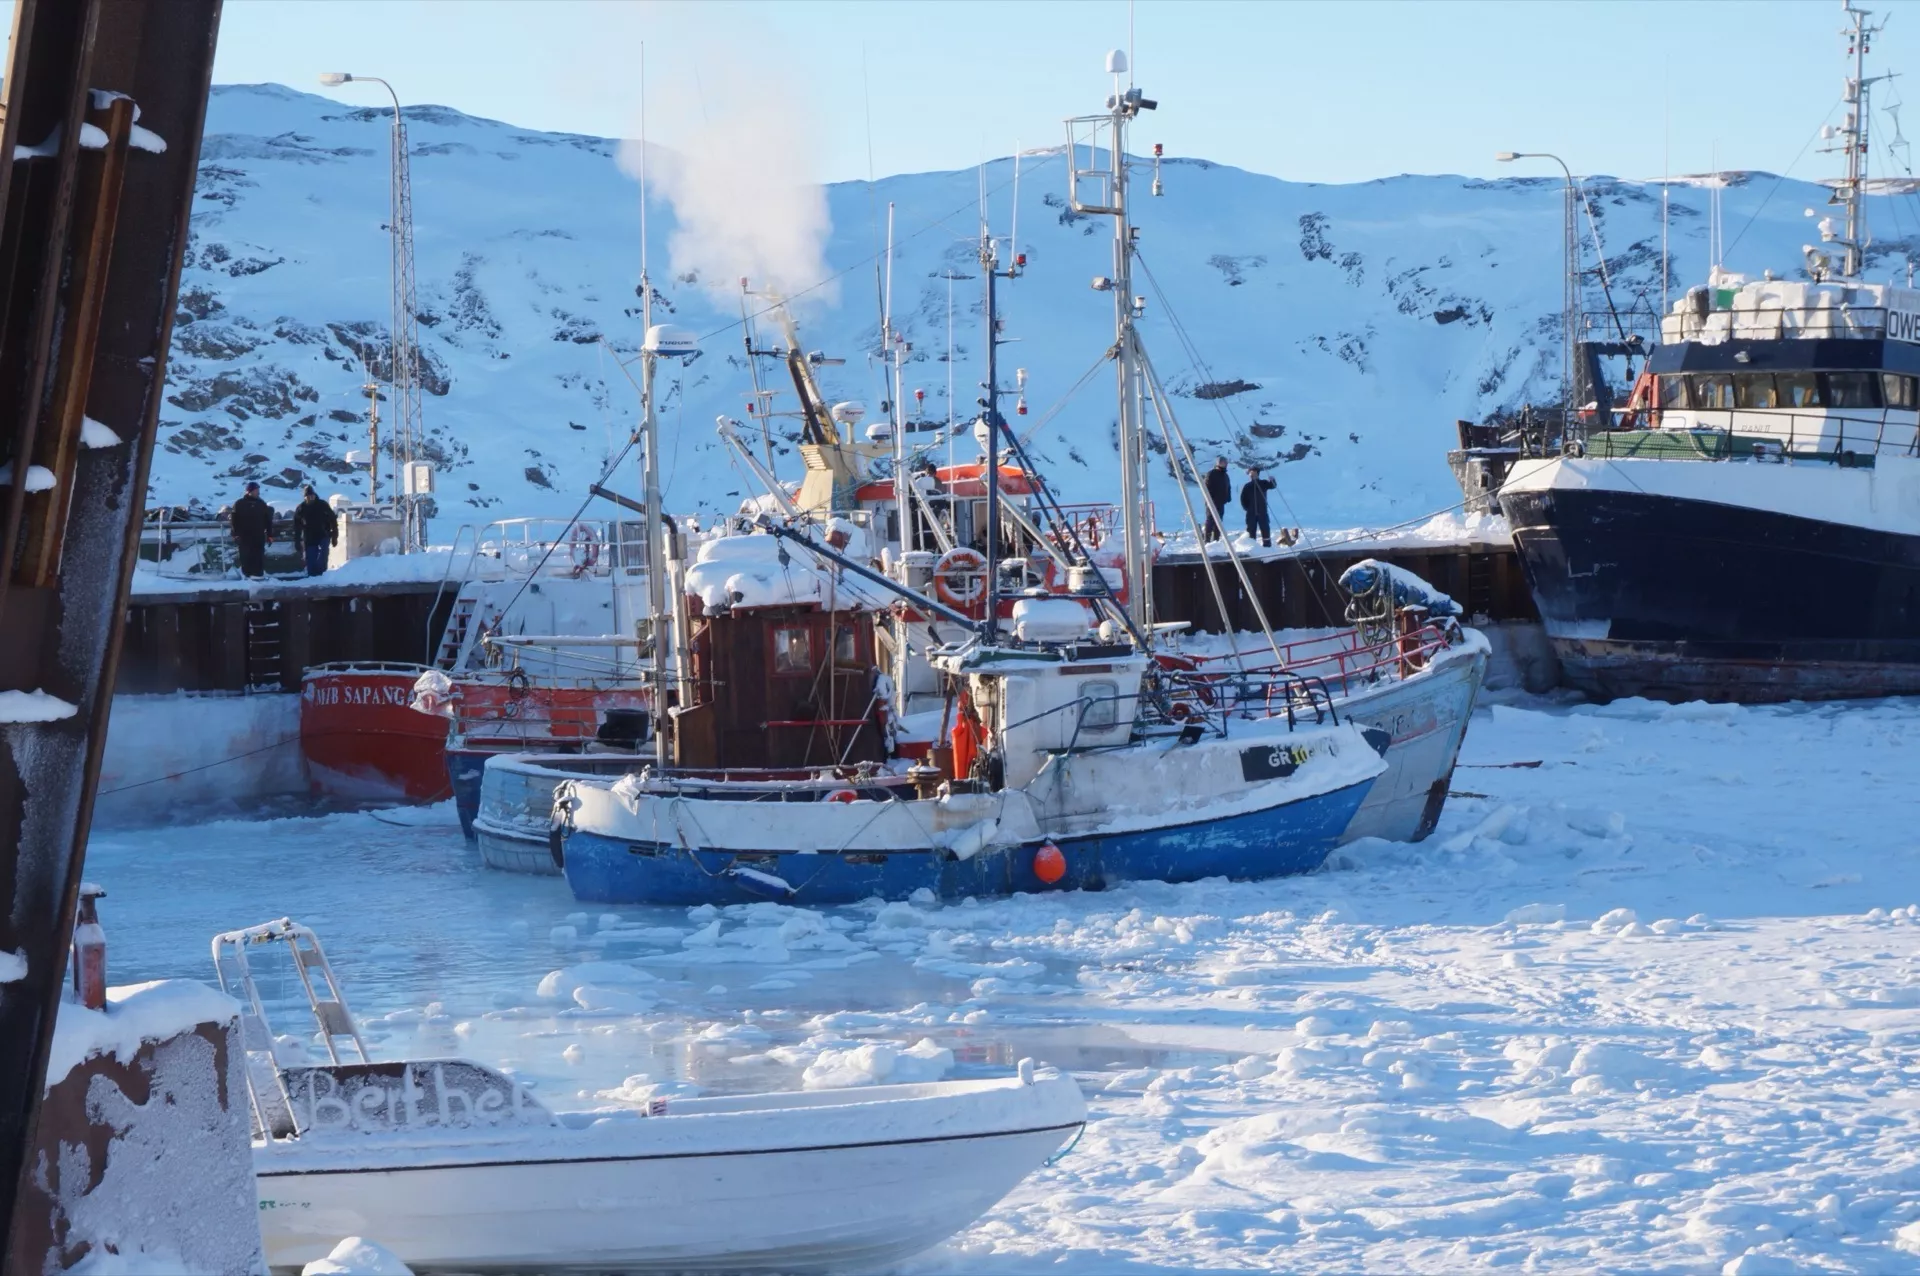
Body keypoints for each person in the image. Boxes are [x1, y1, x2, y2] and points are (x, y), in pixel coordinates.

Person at [228, 480, 274, 578]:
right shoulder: (239, 504)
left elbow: (268, 521)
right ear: (249, 491)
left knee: (258, 558)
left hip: (258, 536)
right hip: (244, 537)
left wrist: (270, 535)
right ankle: (247, 578)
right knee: (246, 559)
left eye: (258, 490)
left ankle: (259, 577)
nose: (258, 492)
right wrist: (235, 534)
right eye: (256, 490)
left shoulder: (261, 504)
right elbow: (234, 521)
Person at [291, 484, 339, 577]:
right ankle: (312, 577)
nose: (310, 498)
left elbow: (333, 520)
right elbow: (297, 527)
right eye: (308, 496)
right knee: (311, 560)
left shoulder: (322, 505)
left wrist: (334, 536)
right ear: (305, 497)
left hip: (323, 534)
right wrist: (297, 541)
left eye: (311, 495)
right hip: (310, 537)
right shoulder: (301, 509)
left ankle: (322, 575)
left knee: (323, 555)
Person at [1241, 466, 1277, 548]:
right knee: (1251, 530)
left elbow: (1273, 486)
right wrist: (1247, 508)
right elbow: (1243, 499)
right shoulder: (1247, 486)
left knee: (1265, 529)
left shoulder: (1263, 483)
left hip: (1262, 512)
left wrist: (1272, 480)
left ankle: (1267, 547)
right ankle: (1252, 547)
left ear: (1258, 474)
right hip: (1251, 513)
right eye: (1251, 473)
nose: (1252, 474)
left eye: (1254, 473)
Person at [1201, 457, 1232, 544]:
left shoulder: (1225, 475)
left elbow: (1228, 487)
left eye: (1225, 463)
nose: (1225, 464)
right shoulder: (1211, 473)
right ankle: (1207, 540)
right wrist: (1209, 499)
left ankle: (1216, 539)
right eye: (1223, 463)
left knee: (1219, 521)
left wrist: (1228, 497)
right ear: (1218, 463)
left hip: (1221, 502)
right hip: (1212, 502)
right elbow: (1206, 487)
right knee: (1210, 520)